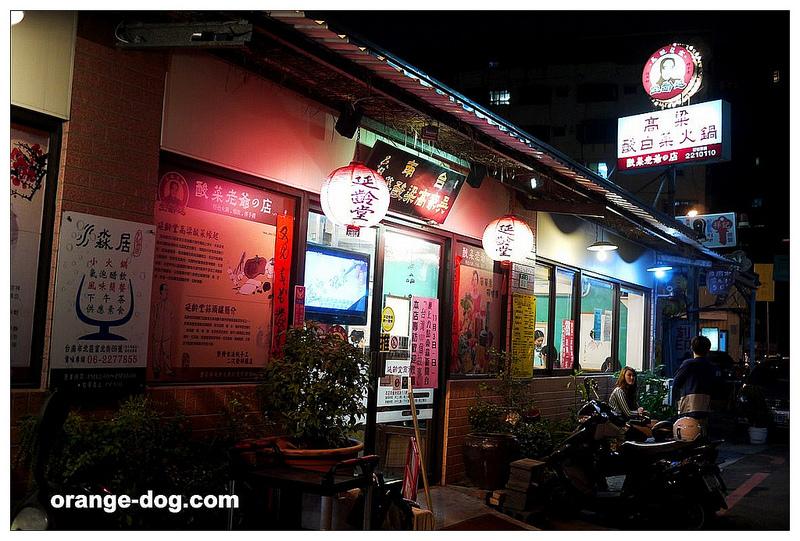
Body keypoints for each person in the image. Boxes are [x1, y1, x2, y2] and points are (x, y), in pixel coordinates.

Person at [673, 335, 716, 427]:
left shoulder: (688, 364)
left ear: (692, 348)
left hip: (689, 405)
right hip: (705, 405)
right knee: (702, 429)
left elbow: (676, 383)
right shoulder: (711, 367)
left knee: (686, 430)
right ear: (708, 349)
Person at [609, 366, 653, 441]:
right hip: (621, 423)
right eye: (629, 375)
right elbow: (628, 413)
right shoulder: (619, 391)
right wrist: (641, 414)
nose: (632, 378)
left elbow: (636, 407)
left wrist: (641, 410)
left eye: (633, 376)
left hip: (630, 420)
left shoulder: (630, 391)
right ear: (623, 377)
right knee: (650, 431)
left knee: (655, 425)